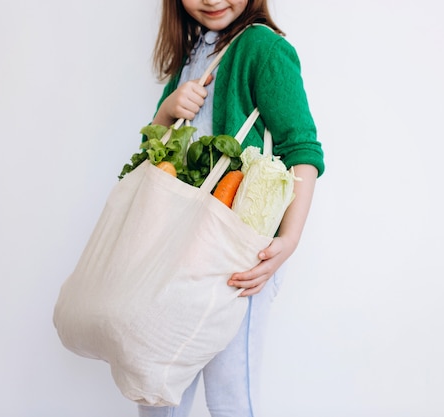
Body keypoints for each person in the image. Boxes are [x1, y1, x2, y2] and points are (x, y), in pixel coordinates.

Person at [137, 1, 325, 416]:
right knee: (158, 391)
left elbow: (302, 149)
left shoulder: (263, 48)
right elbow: (155, 152)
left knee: (231, 397)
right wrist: (168, 110)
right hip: (176, 250)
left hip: (236, 255)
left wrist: (289, 239)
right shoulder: (190, 56)